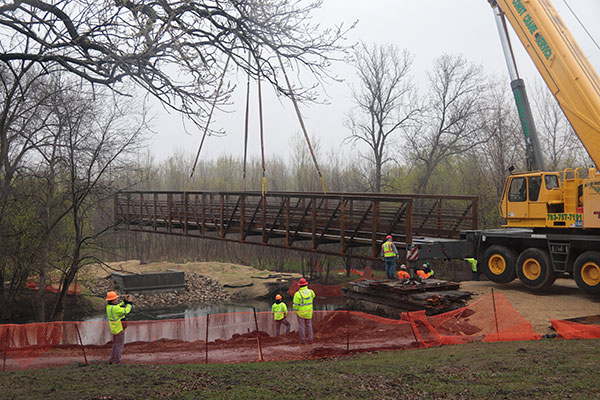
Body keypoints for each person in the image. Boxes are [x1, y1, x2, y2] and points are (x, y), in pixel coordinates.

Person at [106, 291, 133, 364]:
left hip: (114, 329)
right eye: (116, 299)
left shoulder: (109, 307)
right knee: (119, 346)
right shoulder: (115, 309)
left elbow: (118, 306)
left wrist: (125, 301)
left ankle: (112, 359)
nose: (117, 300)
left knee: (115, 345)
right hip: (119, 329)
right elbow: (126, 311)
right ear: (112, 300)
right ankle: (117, 361)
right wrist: (130, 303)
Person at [293, 278, 315, 344]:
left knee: (302, 326)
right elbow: (313, 296)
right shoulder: (311, 292)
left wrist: (295, 311)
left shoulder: (297, 294)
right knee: (309, 326)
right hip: (309, 312)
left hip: (301, 313)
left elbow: (295, 305)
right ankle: (310, 339)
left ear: (299, 285)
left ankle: (302, 340)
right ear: (306, 284)